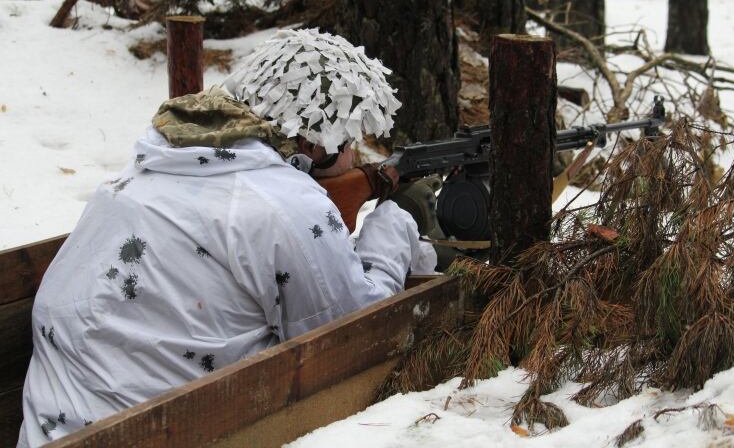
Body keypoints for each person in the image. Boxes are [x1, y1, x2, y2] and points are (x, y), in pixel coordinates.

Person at [18, 28, 436, 446]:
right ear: (314, 141)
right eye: (349, 141)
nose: (354, 158)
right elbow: (356, 334)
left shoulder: (148, 166)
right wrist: (395, 224)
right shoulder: (286, 204)